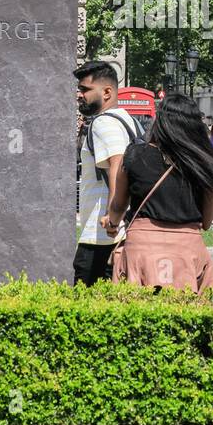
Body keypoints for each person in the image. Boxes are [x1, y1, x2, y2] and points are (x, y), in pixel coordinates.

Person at [103, 93, 213, 291]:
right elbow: (206, 222)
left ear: (160, 121)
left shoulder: (135, 154)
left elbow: (119, 204)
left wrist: (112, 223)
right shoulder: (203, 162)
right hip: (187, 253)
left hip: (142, 249)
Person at [74, 61, 140, 286]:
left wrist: (113, 218)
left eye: (85, 89)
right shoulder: (128, 121)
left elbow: (118, 164)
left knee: (84, 311)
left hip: (101, 237)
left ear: (107, 92)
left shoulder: (103, 123)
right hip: (121, 233)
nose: (79, 95)